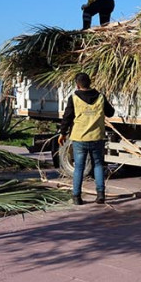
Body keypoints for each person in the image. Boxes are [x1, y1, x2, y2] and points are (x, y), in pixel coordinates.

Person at [58, 72, 115, 205]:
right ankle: (101, 195)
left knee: (79, 167)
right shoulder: (100, 97)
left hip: (79, 138)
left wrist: (62, 133)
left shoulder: (74, 98)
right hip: (97, 137)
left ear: (77, 85)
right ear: (90, 83)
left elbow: (67, 117)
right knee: (98, 165)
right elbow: (110, 113)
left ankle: (77, 197)